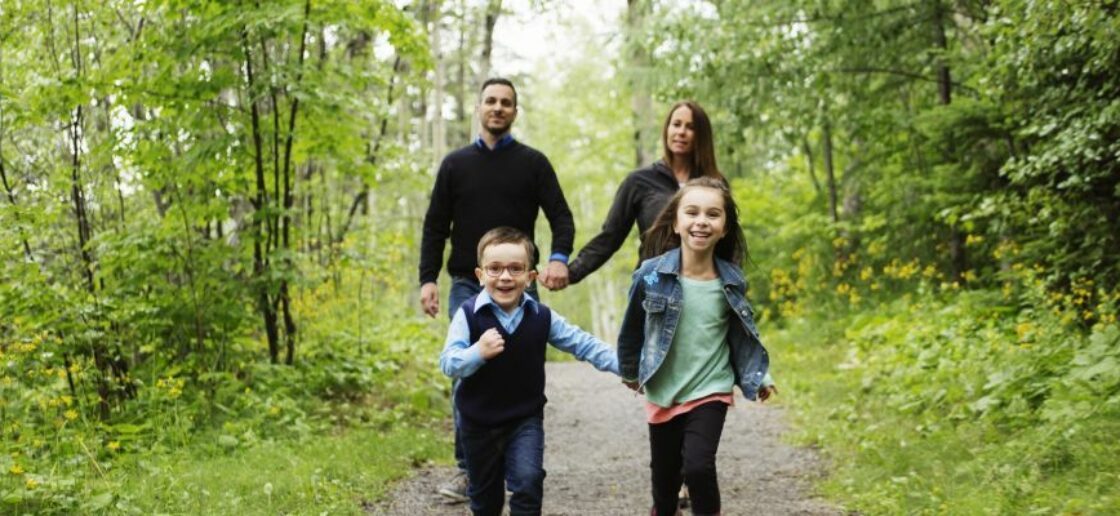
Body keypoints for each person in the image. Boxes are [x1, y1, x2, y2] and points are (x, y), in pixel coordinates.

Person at [419, 78, 576, 501]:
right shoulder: (455, 164)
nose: (498, 108)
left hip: (521, 281)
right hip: (469, 283)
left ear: (515, 111)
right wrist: (428, 279)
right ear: (479, 107)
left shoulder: (533, 163)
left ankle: (521, 458)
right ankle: (470, 470)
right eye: (491, 100)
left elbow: (561, 216)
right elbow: (435, 226)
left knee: (520, 369)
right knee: (467, 370)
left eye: (506, 102)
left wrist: (559, 257)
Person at [617, 177, 778, 515]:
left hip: (710, 388)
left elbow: (742, 335)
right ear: (676, 222)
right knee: (665, 483)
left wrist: (760, 377)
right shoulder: (651, 274)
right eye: (692, 212)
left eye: (713, 214)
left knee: (699, 466)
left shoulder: (732, 280)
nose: (702, 221)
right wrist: (630, 369)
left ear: (724, 227)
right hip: (664, 390)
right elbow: (632, 325)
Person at [440, 227, 619, 516]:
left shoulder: (541, 316)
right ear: (480, 275)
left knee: (528, 481)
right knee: (485, 501)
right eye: (495, 269)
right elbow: (449, 362)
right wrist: (477, 353)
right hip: (477, 424)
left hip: (524, 420)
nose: (505, 276)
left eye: (515, 268)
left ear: (531, 276)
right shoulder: (468, 314)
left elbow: (583, 344)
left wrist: (629, 368)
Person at [566, 101, 723, 286]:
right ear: (667, 129)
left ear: (701, 135)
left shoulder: (715, 185)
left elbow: (729, 241)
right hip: (653, 284)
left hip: (705, 285)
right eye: (676, 124)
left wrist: (734, 285)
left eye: (690, 127)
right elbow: (610, 237)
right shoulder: (640, 181)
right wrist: (570, 272)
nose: (681, 132)